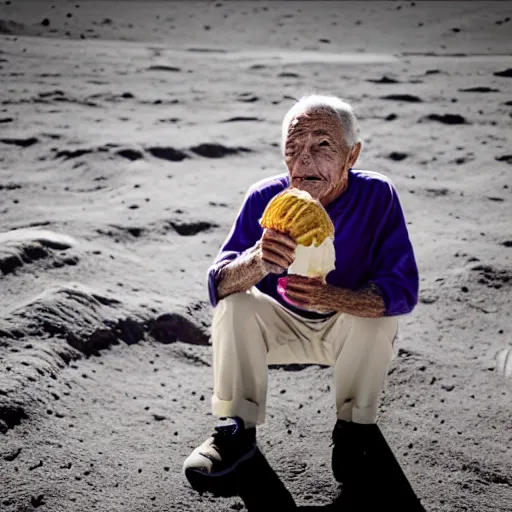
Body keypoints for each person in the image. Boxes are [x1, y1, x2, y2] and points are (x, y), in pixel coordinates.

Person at [183, 94, 423, 506]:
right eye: (293, 150)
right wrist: (258, 261)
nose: (303, 162)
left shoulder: (377, 195)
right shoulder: (265, 198)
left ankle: (355, 433)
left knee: (379, 317)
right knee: (235, 305)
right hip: (281, 324)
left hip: (345, 329)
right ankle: (235, 432)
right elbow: (216, 284)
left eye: (322, 146)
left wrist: (335, 296)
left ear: (352, 154)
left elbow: (402, 289)